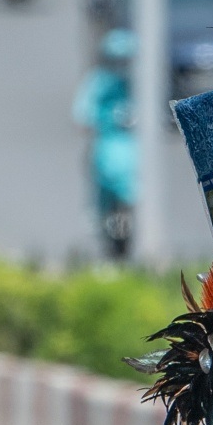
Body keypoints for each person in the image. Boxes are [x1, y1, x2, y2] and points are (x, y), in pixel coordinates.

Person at [73, 30, 137, 259]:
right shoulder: (98, 82)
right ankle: (100, 217)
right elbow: (82, 113)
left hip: (134, 145)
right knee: (101, 178)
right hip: (107, 143)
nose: (122, 65)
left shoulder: (140, 83)